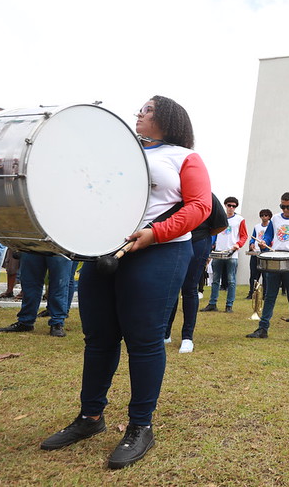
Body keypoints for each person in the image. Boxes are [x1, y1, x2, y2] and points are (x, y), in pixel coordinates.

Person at [39, 96, 211, 469]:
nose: (139, 113)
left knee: (144, 339)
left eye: (148, 109)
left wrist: (155, 233)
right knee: (98, 336)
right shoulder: (122, 150)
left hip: (159, 250)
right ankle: (90, 418)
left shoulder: (183, 157)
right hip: (105, 249)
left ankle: (140, 427)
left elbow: (200, 207)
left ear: (167, 118)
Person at [247, 191, 289, 344]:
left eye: (288, 207)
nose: (285, 210)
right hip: (275, 259)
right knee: (270, 295)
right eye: (282, 206)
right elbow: (269, 237)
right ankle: (263, 328)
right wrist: (264, 242)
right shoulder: (275, 219)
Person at [164, 193, 225, 353]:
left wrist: (203, 236)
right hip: (174, 240)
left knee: (189, 288)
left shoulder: (206, 193)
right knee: (171, 287)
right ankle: (165, 333)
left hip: (198, 240)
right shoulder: (173, 190)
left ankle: (187, 337)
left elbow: (221, 223)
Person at [0, 252, 73, 337]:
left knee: (59, 283)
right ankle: (25, 321)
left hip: (59, 246)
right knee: (30, 283)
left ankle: (57, 323)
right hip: (33, 244)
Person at [201, 197, 246, 313]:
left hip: (232, 254)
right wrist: (211, 246)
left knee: (231, 280)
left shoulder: (240, 219)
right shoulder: (219, 218)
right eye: (229, 205)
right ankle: (212, 303)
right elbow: (214, 234)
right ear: (225, 205)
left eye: (234, 206)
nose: (231, 208)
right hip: (218, 253)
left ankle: (229, 305)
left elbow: (244, 235)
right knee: (215, 280)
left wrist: (238, 244)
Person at [245, 209, 272, 300]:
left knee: (266, 276)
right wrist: (251, 244)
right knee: (253, 275)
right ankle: (251, 293)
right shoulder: (257, 227)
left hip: (266, 254)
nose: (264, 217)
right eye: (262, 215)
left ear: (269, 217)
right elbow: (253, 237)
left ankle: (265, 294)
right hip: (255, 253)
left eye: (266, 215)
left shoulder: (271, 227)